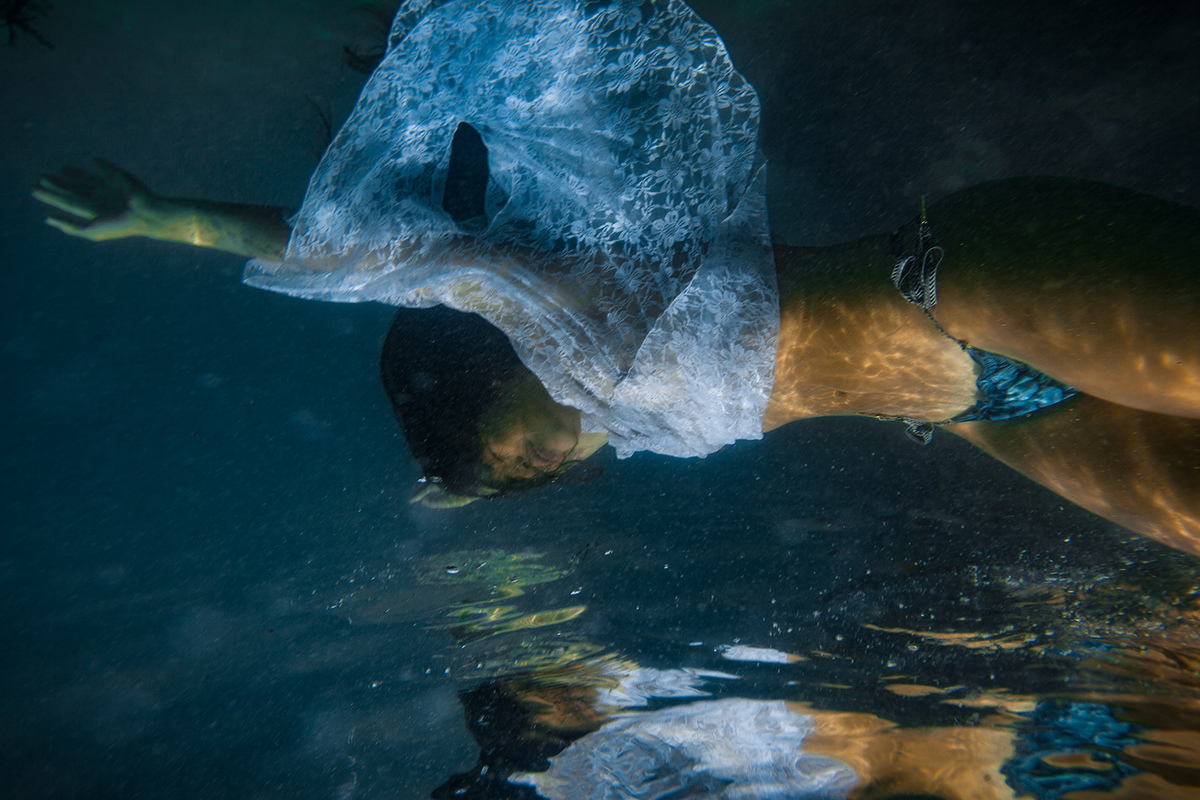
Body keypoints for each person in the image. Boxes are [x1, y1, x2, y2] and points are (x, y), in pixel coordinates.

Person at [33, 0, 1199, 547]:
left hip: (961, 282)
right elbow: (505, 474)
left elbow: (354, 256)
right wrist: (467, 488)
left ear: (478, 367)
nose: (537, 458)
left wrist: (165, 216)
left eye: (504, 441)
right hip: (989, 412)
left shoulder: (565, 307)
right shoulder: (618, 429)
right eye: (522, 472)